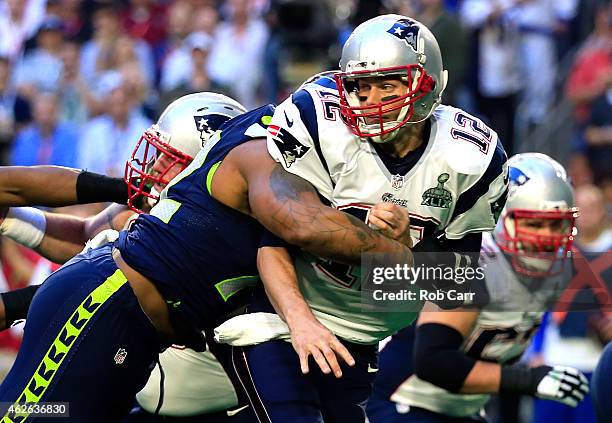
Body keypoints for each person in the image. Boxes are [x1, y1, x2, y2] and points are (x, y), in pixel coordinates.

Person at [0, 82, 412, 421]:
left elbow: (294, 235)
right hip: (126, 335)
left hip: (153, 350)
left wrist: (412, 258)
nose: (155, 170)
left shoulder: (444, 170)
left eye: (167, 160)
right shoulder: (251, 174)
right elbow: (296, 229)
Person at [215, 14, 508, 422]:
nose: (370, 101)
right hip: (283, 319)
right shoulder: (323, 125)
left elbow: (455, 285)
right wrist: (300, 323)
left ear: (427, 83)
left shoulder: (469, 156)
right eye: (360, 87)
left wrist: (407, 245)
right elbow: (272, 241)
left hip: (364, 337)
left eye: (387, 85)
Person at [366, 153, 590, 422]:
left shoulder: (557, 270)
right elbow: (433, 362)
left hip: (461, 408)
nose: (546, 236)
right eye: (533, 223)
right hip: (401, 400)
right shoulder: (472, 264)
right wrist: (529, 380)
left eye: (556, 224)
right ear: (501, 216)